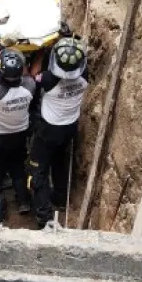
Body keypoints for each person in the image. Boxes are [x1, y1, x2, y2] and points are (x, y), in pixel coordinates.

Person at [28, 37, 88, 229]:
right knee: (59, 161)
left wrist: (40, 53)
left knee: (38, 170)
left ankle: (44, 216)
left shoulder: (48, 80)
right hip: (69, 126)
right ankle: (61, 198)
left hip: (48, 129)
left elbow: (32, 75)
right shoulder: (84, 75)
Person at [0, 49, 36, 226]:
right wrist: (39, 54)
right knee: (17, 167)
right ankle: (24, 201)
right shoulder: (29, 87)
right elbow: (29, 73)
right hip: (18, 136)